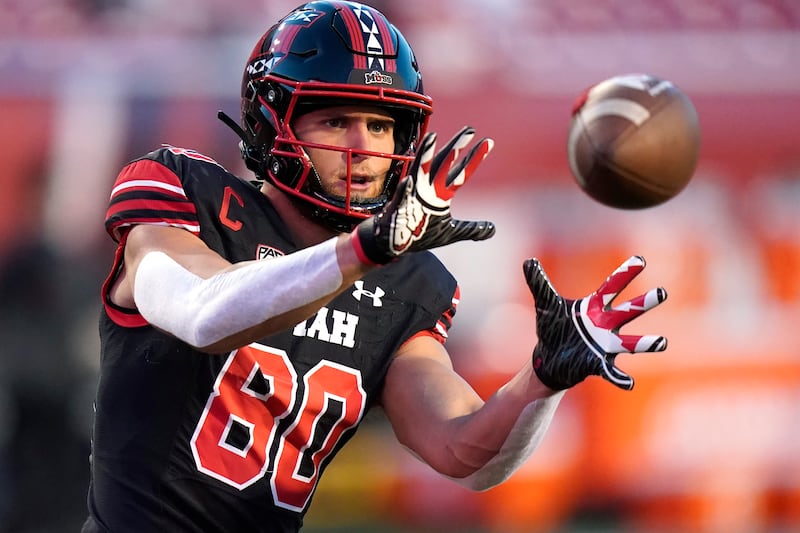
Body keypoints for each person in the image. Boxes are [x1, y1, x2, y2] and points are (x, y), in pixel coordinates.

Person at [82, 2, 668, 531]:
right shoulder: (187, 192)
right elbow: (202, 313)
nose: (364, 146)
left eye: (382, 125)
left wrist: (540, 381)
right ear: (270, 120)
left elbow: (463, 453)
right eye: (337, 121)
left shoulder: (407, 280)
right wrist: (362, 251)